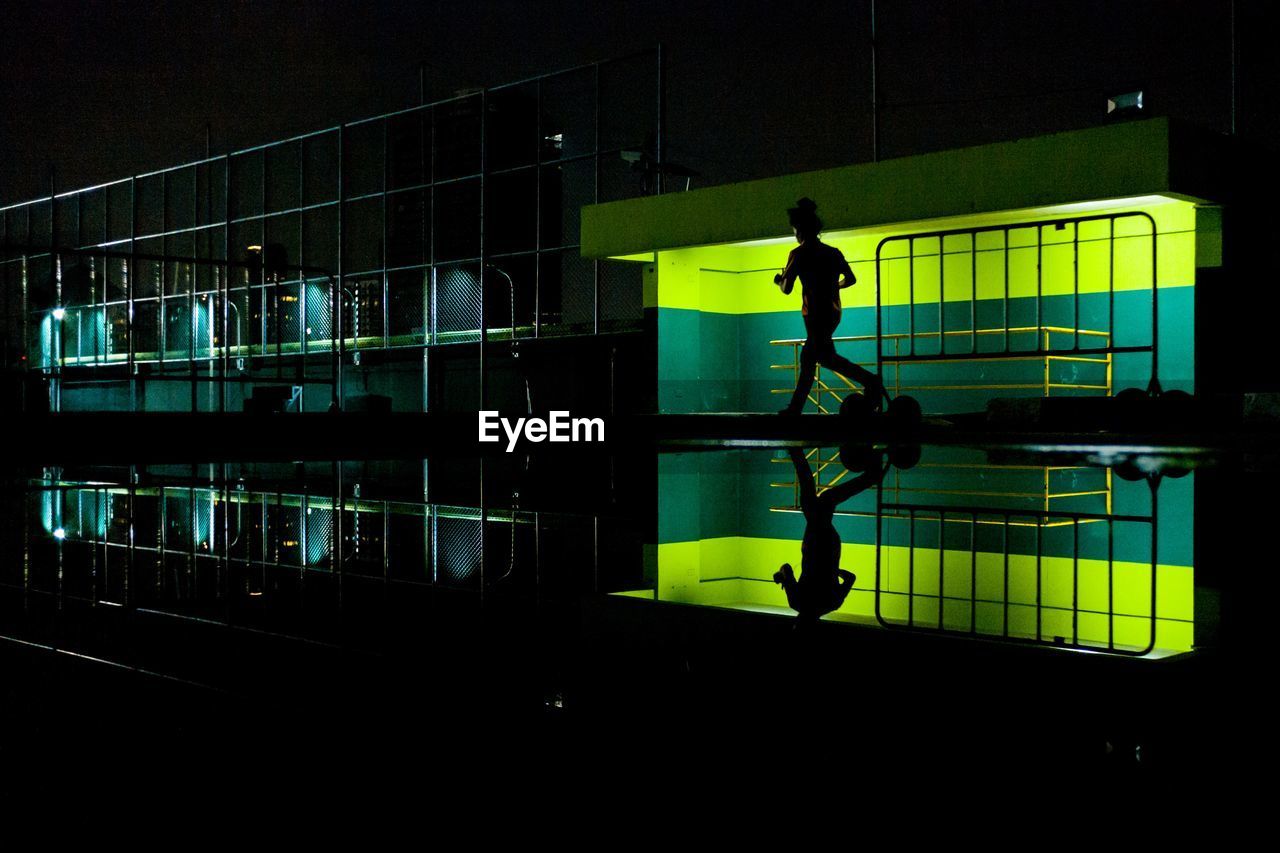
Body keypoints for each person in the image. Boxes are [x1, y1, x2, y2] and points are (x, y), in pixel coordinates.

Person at [775, 197, 884, 415]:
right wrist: (834, 286)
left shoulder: (798, 254)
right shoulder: (832, 252)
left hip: (814, 314)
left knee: (809, 358)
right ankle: (871, 381)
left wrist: (779, 280)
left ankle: (795, 410)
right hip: (832, 313)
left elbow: (786, 288)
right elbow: (851, 278)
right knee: (825, 358)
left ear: (799, 230)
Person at [774, 446, 887, 625]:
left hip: (830, 547)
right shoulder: (796, 602)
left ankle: (870, 477)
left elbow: (850, 578)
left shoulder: (832, 604)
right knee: (816, 499)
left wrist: (833, 570)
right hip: (813, 545)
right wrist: (781, 576)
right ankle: (796, 451)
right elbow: (786, 567)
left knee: (820, 500)